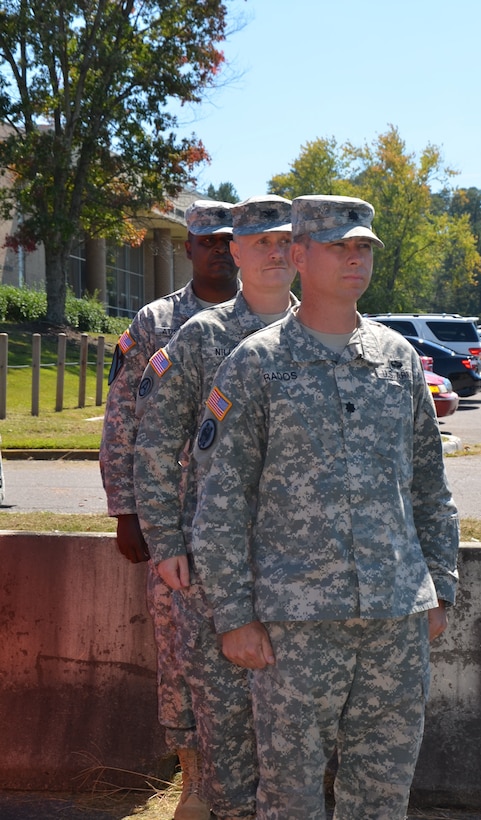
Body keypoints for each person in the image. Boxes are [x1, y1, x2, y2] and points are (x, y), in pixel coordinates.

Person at [191, 194, 460, 820]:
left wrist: (440, 589)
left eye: (362, 246)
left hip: (396, 619)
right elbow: (220, 503)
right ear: (299, 255)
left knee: (383, 797)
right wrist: (234, 615)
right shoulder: (255, 365)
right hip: (295, 627)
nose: (354, 258)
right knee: (289, 799)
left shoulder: (399, 362)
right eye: (339, 245)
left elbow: (429, 488)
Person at [133, 194, 297, 819]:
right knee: (225, 729)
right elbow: (152, 443)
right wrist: (166, 541)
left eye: (287, 241)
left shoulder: (321, 334)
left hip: (299, 573)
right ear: (235, 251)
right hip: (215, 571)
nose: (276, 252)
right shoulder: (200, 338)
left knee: (293, 744)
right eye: (262, 242)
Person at [99, 199, 239, 820]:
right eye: (207, 240)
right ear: (187, 247)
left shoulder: (278, 316)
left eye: (229, 240)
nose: (219, 250)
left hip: (254, 525)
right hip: (174, 518)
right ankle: (192, 785)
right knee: (180, 655)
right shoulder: (158, 321)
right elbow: (124, 417)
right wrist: (127, 510)